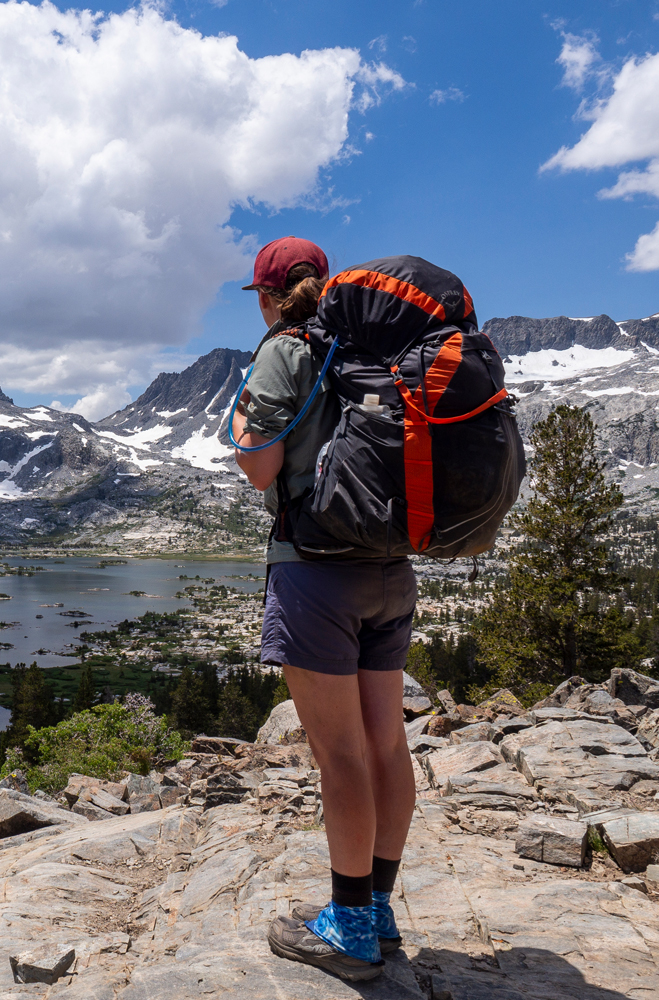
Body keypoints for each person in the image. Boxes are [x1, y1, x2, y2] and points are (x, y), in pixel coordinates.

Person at [228, 236, 416, 983]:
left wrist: (247, 430)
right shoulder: (375, 346)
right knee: (386, 745)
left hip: (314, 575)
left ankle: (349, 929)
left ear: (269, 296)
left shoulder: (284, 349)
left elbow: (260, 470)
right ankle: (380, 906)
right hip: (391, 573)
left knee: (337, 754)